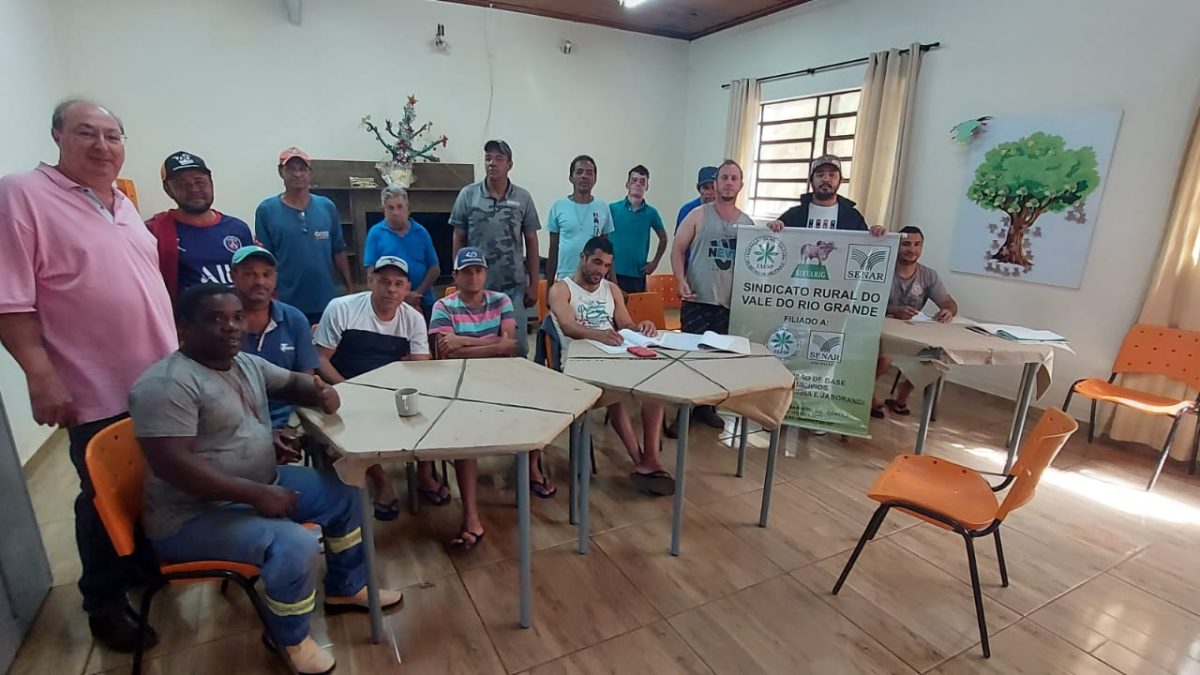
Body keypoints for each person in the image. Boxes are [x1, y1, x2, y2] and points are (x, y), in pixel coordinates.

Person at [129, 284, 403, 675]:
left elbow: (292, 383)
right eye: (215, 319)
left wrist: (320, 391)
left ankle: (346, 587)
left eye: (237, 317)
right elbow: (174, 465)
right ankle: (287, 637)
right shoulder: (166, 384)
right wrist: (256, 493)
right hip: (191, 516)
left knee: (345, 493)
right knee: (293, 544)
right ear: (183, 327)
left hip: (257, 482)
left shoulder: (244, 363)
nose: (231, 327)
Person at [0, 99, 177, 651]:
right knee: (102, 496)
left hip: (157, 380)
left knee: (150, 481)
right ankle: (103, 602)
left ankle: (145, 565)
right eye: (86, 133)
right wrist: (39, 375)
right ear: (57, 135)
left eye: (112, 135)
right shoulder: (21, 195)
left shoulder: (122, 203)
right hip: (93, 387)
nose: (102, 146)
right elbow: (11, 302)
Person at [429, 247, 554, 549]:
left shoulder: (502, 300)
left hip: (504, 377)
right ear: (456, 275)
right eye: (467, 271)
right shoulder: (442, 306)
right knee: (464, 434)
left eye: (478, 270)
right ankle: (471, 515)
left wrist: (463, 341)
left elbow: (509, 346)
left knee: (543, 405)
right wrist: (491, 343)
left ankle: (532, 466)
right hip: (460, 382)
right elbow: (445, 351)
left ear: (485, 273)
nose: (473, 276)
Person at [549, 238, 675, 496]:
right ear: (583, 258)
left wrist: (642, 327)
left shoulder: (612, 289)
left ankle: (650, 458)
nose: (601, 270)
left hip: (613, 354)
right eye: (597, 262)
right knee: (614, 392)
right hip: (579, 361)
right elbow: (567, 326)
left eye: (606, 265)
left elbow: (625, 324)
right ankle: (640, 460)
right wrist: (598, 335)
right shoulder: (561, 289)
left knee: (656, 384)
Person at [314, 256, 433, 520]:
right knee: (352, 424)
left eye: (398, 283)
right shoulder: (342, 308)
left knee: (429, 407)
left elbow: (421, 366)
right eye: (384, 282)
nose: (391, 289)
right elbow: (320, 359)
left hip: (391, 389)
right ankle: (381, 480)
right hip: (344, 385)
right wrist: (350, 389)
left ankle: (425, 476)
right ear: (370, 281)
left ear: (407, 288)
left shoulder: (413, 318)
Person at [670, 160, 756, 430]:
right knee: (691, 359)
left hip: (728, 304)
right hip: (697, 300)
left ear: (740, 185)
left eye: (734, 178)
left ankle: (706, 409)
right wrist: (680, 280)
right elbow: (677, 249)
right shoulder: (698, 215)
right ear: (716, 184)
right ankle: (683, 413)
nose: (728, 183)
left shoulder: (747, 223)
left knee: (717, 359)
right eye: (724, 178)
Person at [450, 140, 541, 358]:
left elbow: (531, 241)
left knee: (517, 347)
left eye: (499, 159)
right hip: (477, 286)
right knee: (478, 347)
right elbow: (458, 237)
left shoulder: (523, 197)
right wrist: (458, 277)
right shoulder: (468, 195)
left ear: (510, 165)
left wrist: (534, 284)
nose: (492, 163)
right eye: (488, 158)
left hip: (513, 287)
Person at [230, 245, 320, 452]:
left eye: (266, 274)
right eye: (250, 274)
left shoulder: (294, 318)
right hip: (235, 420)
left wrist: (292, 429)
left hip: (289, 417)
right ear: (233, 276)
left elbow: (306, 380)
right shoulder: (223, 323)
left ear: (275, 278)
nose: (259, 281)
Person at [255, 147, 353, 325]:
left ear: (310, 173)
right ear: (280, 172)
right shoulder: (266, 210)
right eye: (291, 169)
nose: (297, 174)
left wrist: (349, 287)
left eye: (302, 169)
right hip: (286, 303)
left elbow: (338, 250)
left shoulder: (326, 207)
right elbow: (264, 259)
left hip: (326, 302)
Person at [146, 150, 254, 303]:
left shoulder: (238, 229)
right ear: (168, 189)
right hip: (186, 324)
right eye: (183, 184)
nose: (194, 189)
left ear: (211, 182)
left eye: (199, 181)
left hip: (238, 323)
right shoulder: (154, 232)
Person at [875, 226, 959, 417]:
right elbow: (861, 301)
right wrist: (892, 311)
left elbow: (948, 301)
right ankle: (868, 398)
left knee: (935, 357)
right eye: (906, 244)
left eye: (917, 244)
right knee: (884, 358)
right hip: (881, 329)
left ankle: (901, 398)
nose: (911, 249)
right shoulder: (880, 269)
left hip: (911, 332)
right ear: (896, 245)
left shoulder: (929, 275)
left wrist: (948, 310)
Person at [362, 185, 440, 321]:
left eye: (400, 207)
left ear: (408, 209)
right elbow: (371, 272)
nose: (396, 212)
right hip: (389, 301)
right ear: (383, 211)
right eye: (390, 208)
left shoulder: (421, 232)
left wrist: (416, 293)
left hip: (421, 300)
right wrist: (400, 296)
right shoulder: (375, 233)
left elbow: (435, 269)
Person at [767, 154, 879, 233]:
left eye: (832, 175)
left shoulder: (853, 217)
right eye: (820, 175)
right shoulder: (793, 215)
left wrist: (876, 235)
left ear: (841, 180)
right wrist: (773, 228)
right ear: (811, 181)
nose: (826, 179)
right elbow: (773, 244)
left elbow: (865, 249)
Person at [546, 155, 613, 286]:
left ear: (595, 179)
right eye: (579, 172)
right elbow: (553, 251)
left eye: (589, 173)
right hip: (565, 279)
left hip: (594, 280)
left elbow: (608, 250)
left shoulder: (603, 207)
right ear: (571, 178)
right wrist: (549, 287)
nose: (584, 176)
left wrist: (613, 283)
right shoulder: (558, 206)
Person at [609, 165, 667, 294]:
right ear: (627, 184)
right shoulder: (612, 209)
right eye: (634, 180)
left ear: (647, 187)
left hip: (637, 273)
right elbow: (603, 238)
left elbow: (663, 238)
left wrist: (655, 262)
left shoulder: (651, 213)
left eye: (642, 181)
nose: (638, 184)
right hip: (613, 272)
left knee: (635, 312)